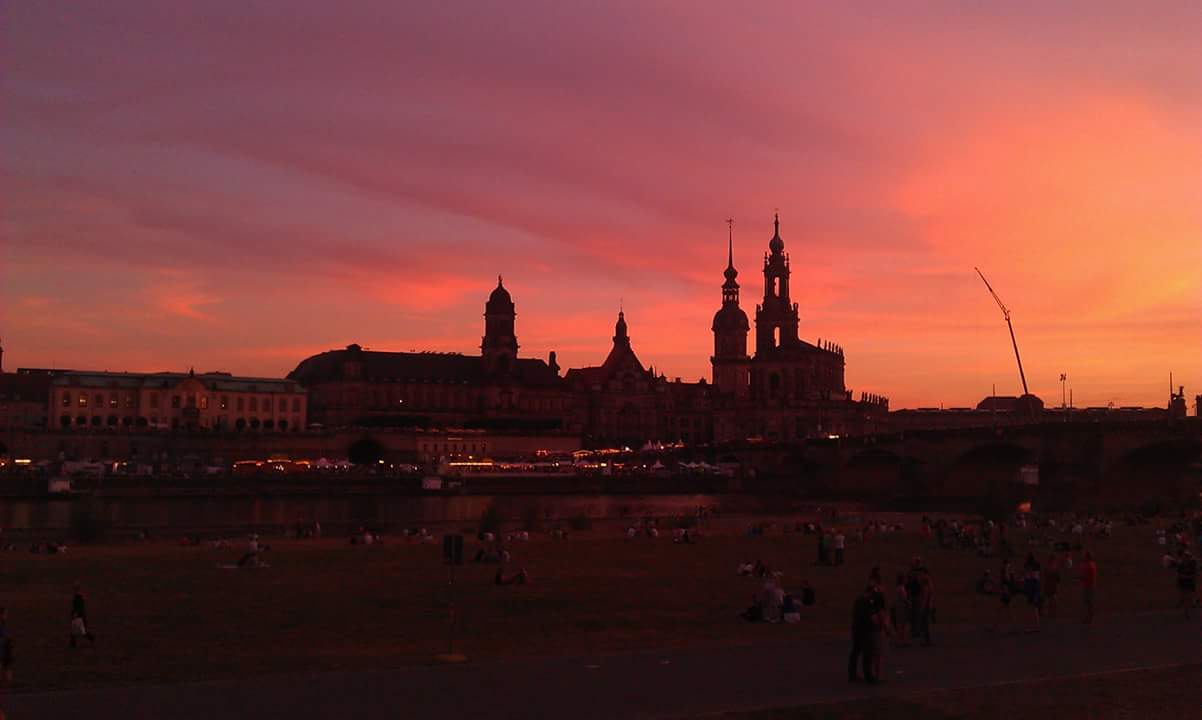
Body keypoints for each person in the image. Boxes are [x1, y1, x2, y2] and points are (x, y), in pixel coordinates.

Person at [848, 586, 877, 684]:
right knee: (867, 654)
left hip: (857, 629)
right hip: (865, 630)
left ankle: (852, 674)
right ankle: (868, 676)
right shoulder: (867, 602)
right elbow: (872, 617)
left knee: (855, 652)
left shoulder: (858, 601)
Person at [69, 584, 95, 648]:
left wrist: (76, 613)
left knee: (81, 632)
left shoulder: (78, 597)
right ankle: (73, 644)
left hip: (78, 616)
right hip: (78, 615)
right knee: (74, 631)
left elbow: (79, 607)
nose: (74, 591)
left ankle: (91, 638)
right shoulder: (78, 597)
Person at [1022, 552, 1042, 633]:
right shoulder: (1035, 566)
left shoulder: (1030, 567)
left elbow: (1032, 577)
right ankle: (1036, 626)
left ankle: (1032, 627)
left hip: (1032, 588)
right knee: (1034, 608)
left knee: (1032, 608)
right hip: (1033, 588)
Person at [1174, 550, 1197, 618]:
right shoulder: (1181, 564)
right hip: (1183, 582)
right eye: (1185, 557)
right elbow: (1178, 574)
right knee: (1184, 596)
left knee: (1188, 597)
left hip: (1189, 582)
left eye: (1188, 557)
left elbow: (1194, 574)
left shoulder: (1192, 564)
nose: (1186, 558)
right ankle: (1185, 605)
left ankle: (1187, 611)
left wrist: (1188, 576)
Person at [892, 574, 911, 647]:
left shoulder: (898, 588)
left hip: (899, 607)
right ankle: (900, 641)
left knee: (901, 624)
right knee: (901, 625)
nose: (906, 580)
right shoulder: (901, 588)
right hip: (901, 608)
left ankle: (902, 640)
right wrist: (909, 603)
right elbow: (904, 599)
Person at [1079, 550, 1097, 625]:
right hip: (1087, 585)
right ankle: (1088, 618)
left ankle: (1090, 619)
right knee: (1087, 603)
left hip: (1088, 585)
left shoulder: (1090, 565)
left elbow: (1090, 577)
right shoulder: (1089, 564)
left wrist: (1082, 577)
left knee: (1089, 603)